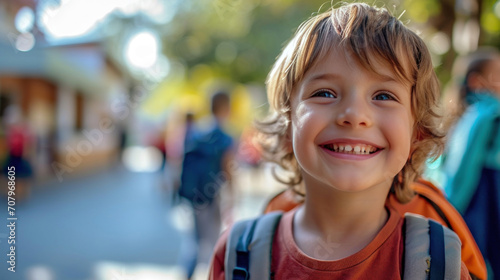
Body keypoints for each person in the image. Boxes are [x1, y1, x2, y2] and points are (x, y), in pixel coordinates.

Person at [209, 3, 472, 279]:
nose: (355, 115)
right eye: (324, 93)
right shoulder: (238, 256)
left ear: (416, 134)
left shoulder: (442, 265)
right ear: (287, 127)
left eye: (383, 96)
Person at [437, 49, 500, 279]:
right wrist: (451, 214)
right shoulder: (489, 114)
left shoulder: (469, 115)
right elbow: (462, 173)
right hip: (482, 207)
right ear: (477, 82)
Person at [179, 91, 235, 280]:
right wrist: (233, 195)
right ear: (226, 107)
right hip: (212, 196)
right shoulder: (225, 136)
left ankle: (186, 273)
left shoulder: (195, 131)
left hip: (193, 194)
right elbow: (227, 170)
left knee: (194, 240)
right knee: (212, 243)